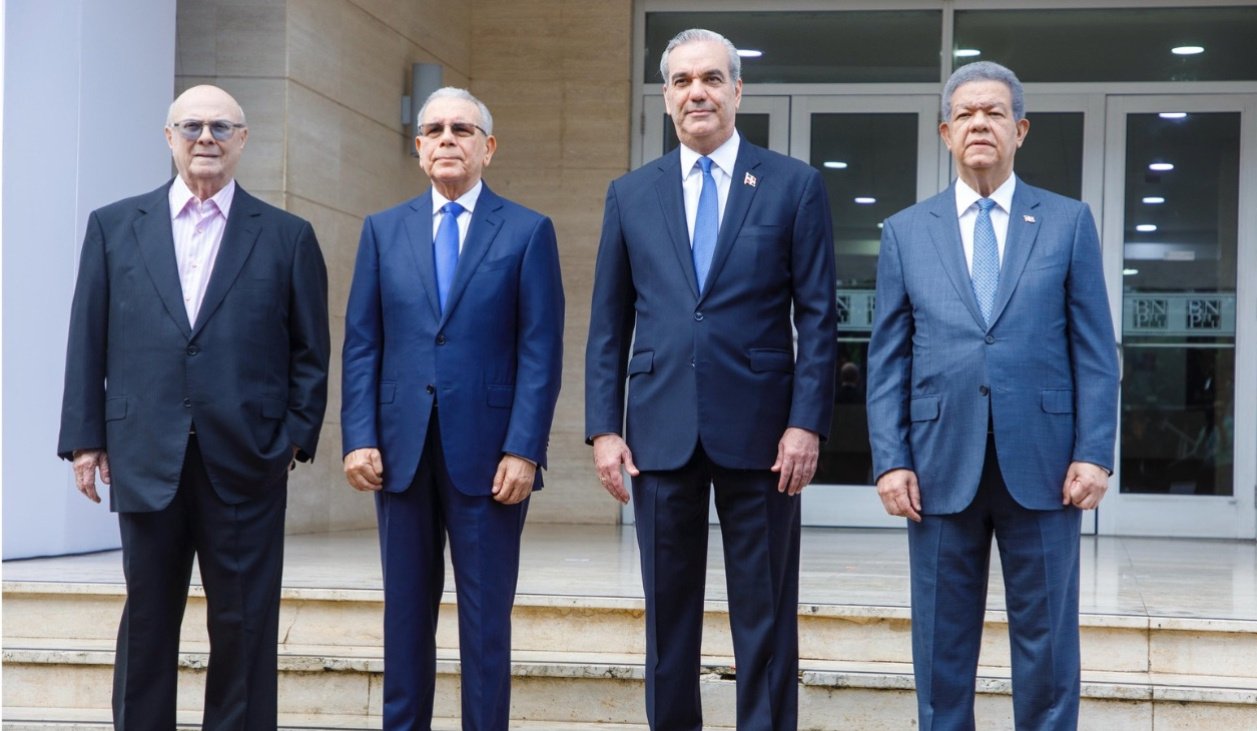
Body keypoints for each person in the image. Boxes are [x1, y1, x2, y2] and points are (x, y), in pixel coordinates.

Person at [585, 28, 837, 731]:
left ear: (737, 91)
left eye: (712, 79)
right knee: (668, 617)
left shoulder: (793, 185)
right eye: (682, 81)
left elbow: (818, 318)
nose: (697, 92)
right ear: (666, 97)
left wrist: (806, 422)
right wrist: (604, 428)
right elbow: (608, 322)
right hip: (658, 431)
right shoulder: (631, 194)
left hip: (764, 436)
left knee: (765, 613)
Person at [57, 84, 330, 730]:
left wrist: (290, 439)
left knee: (245, 625)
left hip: (247, 462)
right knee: (148, 621)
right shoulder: (113, 227)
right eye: (191, 126)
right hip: (145, 455)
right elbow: (87, 337)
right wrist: (86, 439)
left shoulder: (288, 236)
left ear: (243, 139)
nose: (205, 137)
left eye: (221, 126)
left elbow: (311, 351)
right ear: (169, 137)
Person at [867, 61, 1120, 730]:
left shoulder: (1066, 222)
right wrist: (891, 459)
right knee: (941, 645)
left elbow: (1096, 350)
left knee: (1048, 644)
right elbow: (887, 358)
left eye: (995, 113)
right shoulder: (905, 231)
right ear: (946, 132)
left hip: (1046, 465)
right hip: (937, 466)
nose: (980, 124)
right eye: (966, 114)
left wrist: (1095, 451)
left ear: (1021, 130)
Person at [341, 87, 564, 731]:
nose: (447, 139)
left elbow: (540, 351)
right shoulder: (382, 230)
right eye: (434, 129)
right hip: (398, 452)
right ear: (418, 148)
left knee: (486, 621)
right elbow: (362, 343)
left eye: (462, 130)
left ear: (487, 148)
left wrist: (524, 448)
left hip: (492, 459)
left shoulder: (527, 231)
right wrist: (358, 435)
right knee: (404, 616)